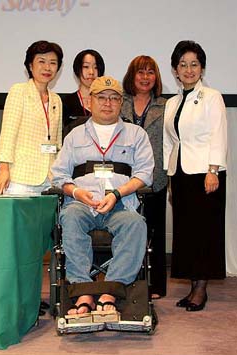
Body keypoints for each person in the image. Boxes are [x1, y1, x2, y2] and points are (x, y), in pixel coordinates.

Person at [51, 75, 154, 315]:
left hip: (120, 205)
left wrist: (117, 194)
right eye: (101, 97)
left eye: (114, 98)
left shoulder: (136, 134)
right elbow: (58, 175)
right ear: (89, 101)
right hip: (81, 205)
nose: (107, 103)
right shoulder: (74, 135)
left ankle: (110, 292)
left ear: (121, 103)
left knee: (136, 224)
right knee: (71, 218)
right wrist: (77, 192)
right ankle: (83, 292)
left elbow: (145, 174)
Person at [163, 40, 227, 311]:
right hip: (181, 175)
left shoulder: (212, 96)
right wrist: (169, 177)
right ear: (175, 70)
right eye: (183, 65)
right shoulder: (173, 102)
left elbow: (218, 134)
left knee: (204, 233)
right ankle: (192, 287)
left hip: (205, 174)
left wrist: (213, 170)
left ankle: (201, 290)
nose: (188, 69)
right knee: (186, 233)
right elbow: (170, 141)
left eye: (194, 64)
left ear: (201, 68)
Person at [121, 55, 168, 300]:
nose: (145, 77)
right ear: (132, 75)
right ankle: (125, 281)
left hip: (156, 178)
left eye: (150, 72)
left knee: (154, 232)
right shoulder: (120, 102)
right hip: (124, 179)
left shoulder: (165, 105)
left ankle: (156, 285)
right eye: (141, 72)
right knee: (126, 231)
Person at [0, 40, 63, 195]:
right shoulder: (19, 91)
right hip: (20, 177)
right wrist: (4, 169)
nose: (47, 67)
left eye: (53, 63)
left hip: (48, 179)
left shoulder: (56, 99)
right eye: (41, 62)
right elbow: (8, 134)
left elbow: (57, 143)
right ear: (30, 66)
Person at [61, 49, 105, 139]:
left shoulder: (107, 102)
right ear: (77, 70)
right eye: (86, 67)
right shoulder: (66, 102)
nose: (91, 72)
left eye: (96, 67)